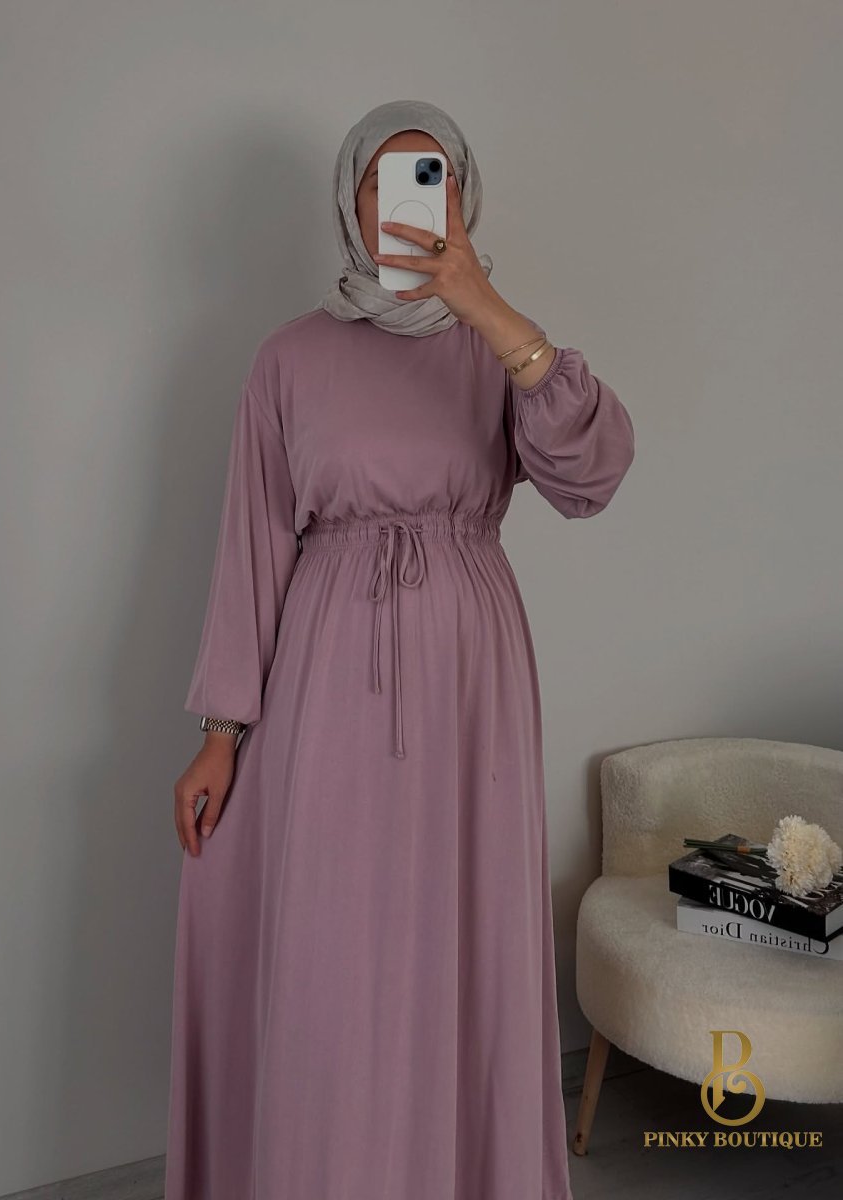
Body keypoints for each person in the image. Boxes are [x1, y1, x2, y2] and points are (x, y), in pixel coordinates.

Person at [164, 98, 634, 1200]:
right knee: (328, 933)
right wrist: (221, 731)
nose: (411, 202)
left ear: (463, 199)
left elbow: (593, 477)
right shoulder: (288, 358)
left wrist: (486, 307)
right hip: (325, 665)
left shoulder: (501, 351)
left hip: (470, 672)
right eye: (386, 180)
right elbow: (251, 546)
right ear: (351, 201)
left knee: (458, 930)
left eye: (436, 179)